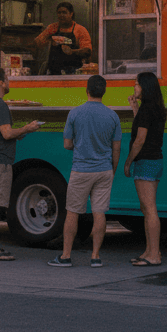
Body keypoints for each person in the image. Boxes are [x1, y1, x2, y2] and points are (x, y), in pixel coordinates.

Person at [49, 75, 121, 268]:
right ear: (104, 92)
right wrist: (111, 170)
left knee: (72, 212)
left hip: (81, 170)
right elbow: (116, 149)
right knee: (99, 212)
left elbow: (67, 144)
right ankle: (96, 256)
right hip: (104, 170)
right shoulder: (113, 116)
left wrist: (80, 146)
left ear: (86, 90)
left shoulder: (75, 113)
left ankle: (65, 256)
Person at [0, 67, 42, 261]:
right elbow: (6, 133)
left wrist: (19, 133)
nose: (9, 82)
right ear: (1, 83)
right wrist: (28, 128)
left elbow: (2, 134)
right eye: (7, 79)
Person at [124, 73, 167, 266]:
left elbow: (140, 139)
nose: (134, 88)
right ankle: (149, 251)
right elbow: (143, 126)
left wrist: (128, 161)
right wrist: (135, 109)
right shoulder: (154, 109)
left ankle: (154, 254)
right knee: (146, 208)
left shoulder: (147, 110)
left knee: (150, 209)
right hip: (155, 160)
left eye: (137, 85)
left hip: (145, 161)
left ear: (145, 87)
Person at [34, 1, 93, 75]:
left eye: (64, 12)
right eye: (59, 12)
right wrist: (47, 39)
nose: (61, 15)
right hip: (54, 73)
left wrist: (73, 51)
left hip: (74, 73)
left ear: (71, 14)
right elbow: (37, 43)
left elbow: (87, 51)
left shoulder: (80, 30)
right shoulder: (52, 28)